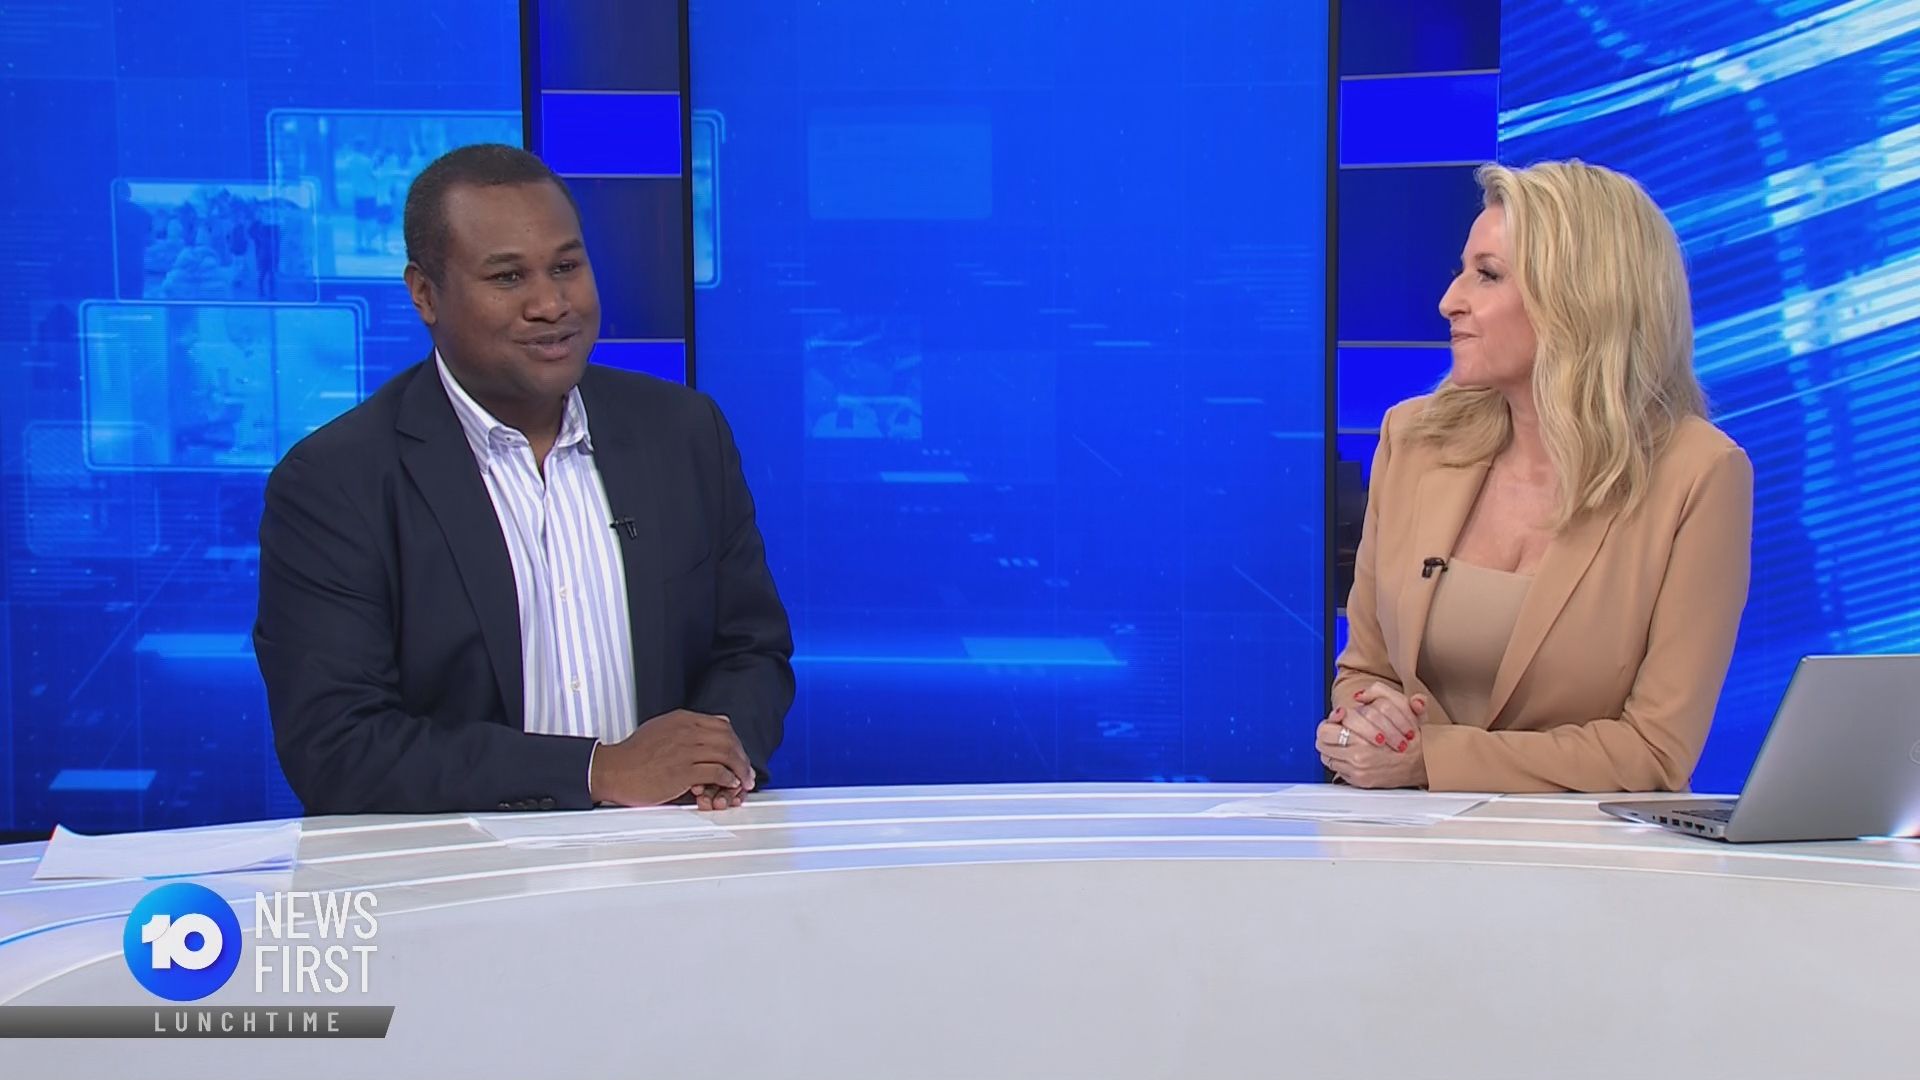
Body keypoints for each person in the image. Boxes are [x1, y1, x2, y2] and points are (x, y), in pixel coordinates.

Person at [255, 144, 793, 815]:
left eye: (566, 267)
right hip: (462, 870)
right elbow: (338, 746)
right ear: (425, 294)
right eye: (508, 277)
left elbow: (751, 651)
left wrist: (711, 760)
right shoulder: (337, 482)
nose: (551, 303)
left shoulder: (683, 433)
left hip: (675, 848)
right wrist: (595, 772)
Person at [1320, 160, 1752, 793]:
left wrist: (1433, 760)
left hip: (1579, 847)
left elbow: (1655, 751)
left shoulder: (1699, 475)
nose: (1449, 301)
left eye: (1487, 275)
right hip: (1397, 836)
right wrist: (1365, 723)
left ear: (1579, 299)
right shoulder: (1412, 440)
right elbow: (1366, 672)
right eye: (1462, 271)